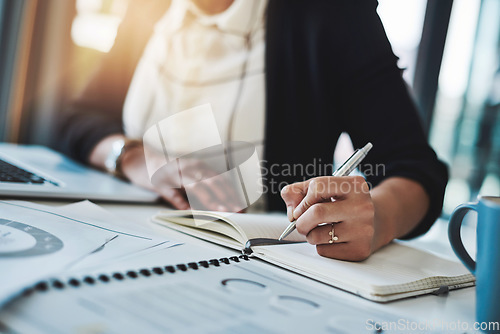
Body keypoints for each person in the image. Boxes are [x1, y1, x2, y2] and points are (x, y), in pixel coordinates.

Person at [58, 0, 448, 261]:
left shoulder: (331, 13)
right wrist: (137, 158)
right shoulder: (149, 9)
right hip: (112, 242)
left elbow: (415, 170)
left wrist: (377, 219)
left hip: (253, 263)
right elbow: (77, 116)